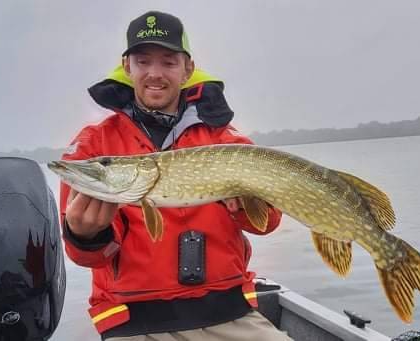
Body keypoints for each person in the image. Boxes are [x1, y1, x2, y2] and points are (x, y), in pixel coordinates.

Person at [59, 10, 292, 341]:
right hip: (135, 321)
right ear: (127, 67)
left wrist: (244, 203)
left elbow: (266, 222)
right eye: (143, 62)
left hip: (229, 314)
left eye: (168, 62)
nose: (155, 73)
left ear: (188, 69)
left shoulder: (226, 141)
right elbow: (88, 256)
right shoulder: (95, 146)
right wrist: (84, 235)